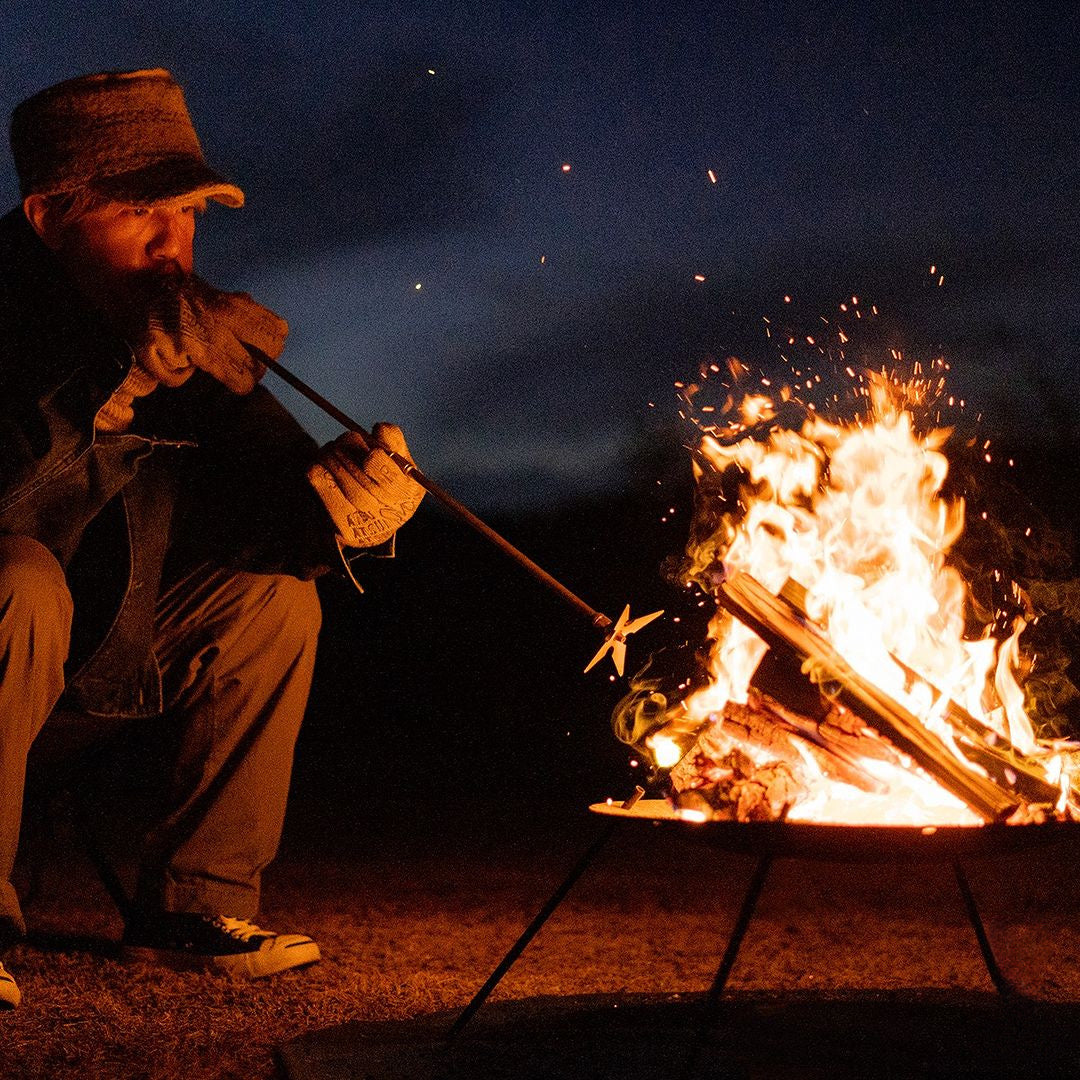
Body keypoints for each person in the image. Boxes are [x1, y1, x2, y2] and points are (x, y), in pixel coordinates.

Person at [0, 69, 425, 1008]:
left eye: (189, 212)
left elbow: (275, 506)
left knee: (271, 597)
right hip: (8, 647)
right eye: (142, 211)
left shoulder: (176, 327)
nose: (174, 240)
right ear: (47, 217)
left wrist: (346, 506)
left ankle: (195, 907)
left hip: (87, 671)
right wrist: (112, 387)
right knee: (19, 579)